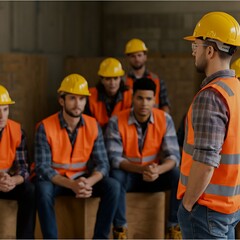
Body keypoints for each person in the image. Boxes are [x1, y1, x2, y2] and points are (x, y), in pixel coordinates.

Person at [177, 11, 240, 239]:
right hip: (229, 208)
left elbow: (206, 161)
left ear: (210, 50)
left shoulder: (212, 96)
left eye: (196, 45)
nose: (194, 52)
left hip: (205, 209)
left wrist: (187, 204)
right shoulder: (236, 89)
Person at [34, 73, 120, 239]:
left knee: (113, 187)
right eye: (72, 98)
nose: (77, 104)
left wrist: (88, 182)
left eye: (81, 99)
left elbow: (103, 164)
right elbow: (42, 168)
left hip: (82, 179)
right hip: (57, 180)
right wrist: (71, 185)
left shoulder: (93, 125)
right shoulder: (44, 126)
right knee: (42, 190)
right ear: (61, 100)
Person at [105, 78, 181, 239]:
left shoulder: (164, 119)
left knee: (177, 174)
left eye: (148, 99)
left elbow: (174, 157)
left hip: (155, 175)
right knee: (115, 176)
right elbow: (114, 159)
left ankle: (173, 227)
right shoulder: (116, 121)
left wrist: (157, 170)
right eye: (140, 98)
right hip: (130, 175)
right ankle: (120, 230)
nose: (144, 103)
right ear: (133, 97)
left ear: (155, 100)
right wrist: (142, 169)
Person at [0, 85, 35, 239]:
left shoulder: (16, 131)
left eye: (5, 109)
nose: (1, 116)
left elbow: (24, 168)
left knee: (30, 189)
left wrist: (13, 180)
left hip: (7, 183)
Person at [85, 57, 132, 132]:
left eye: (115, 78)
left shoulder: (130, 95)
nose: (112, 83)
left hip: (122, 136)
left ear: (120, 78)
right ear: (102, 80)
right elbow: (87, 124)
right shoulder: (90, 96)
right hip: (96, 134)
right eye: (108, 79)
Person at [124, 38, 170, 113]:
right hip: (128, 122)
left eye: (139, 55)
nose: (137, 59)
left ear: (145, 57)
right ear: (128, 58)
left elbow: (165, 105)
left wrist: (164, 121)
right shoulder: (122, 81)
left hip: (154, 122)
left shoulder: (156, 80)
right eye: (133, 56)